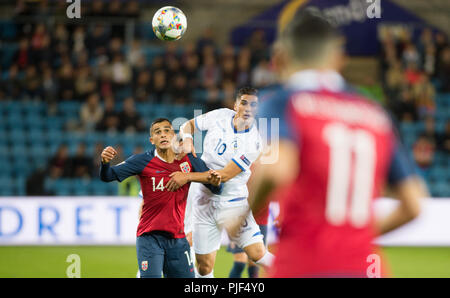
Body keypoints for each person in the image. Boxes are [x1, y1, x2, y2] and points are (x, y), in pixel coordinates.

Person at [229, 12, 429, 277]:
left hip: (304, 264)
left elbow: (278, 170)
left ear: (279, 59)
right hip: (365, 267)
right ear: (338, 59)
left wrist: (242, 219)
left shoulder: (282, 102)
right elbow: (414, 203)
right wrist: (352, 236)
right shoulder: (375, 112)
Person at [99, 118, 222, 278]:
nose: (163, 135)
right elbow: (107, 176)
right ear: (152, 140)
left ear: (173, 135)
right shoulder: (141, 161)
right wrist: (105, 163)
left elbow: (216, 187)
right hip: (150, 238)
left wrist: (189, 177)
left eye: (167, 131)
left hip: (178, 238)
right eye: (158, 132)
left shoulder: (188, 160)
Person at [178, 87, 274, 278]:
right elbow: (187, 125)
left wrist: (188, 176)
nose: (248, 108)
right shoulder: (220, 115)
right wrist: (188, 140)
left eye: (253, 104)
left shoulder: (255, 140)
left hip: (233, 203)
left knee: (257, 253)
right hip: (203, 202)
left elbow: (223, 176)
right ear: (235, 105)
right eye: (244, 103)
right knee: (204, 267)